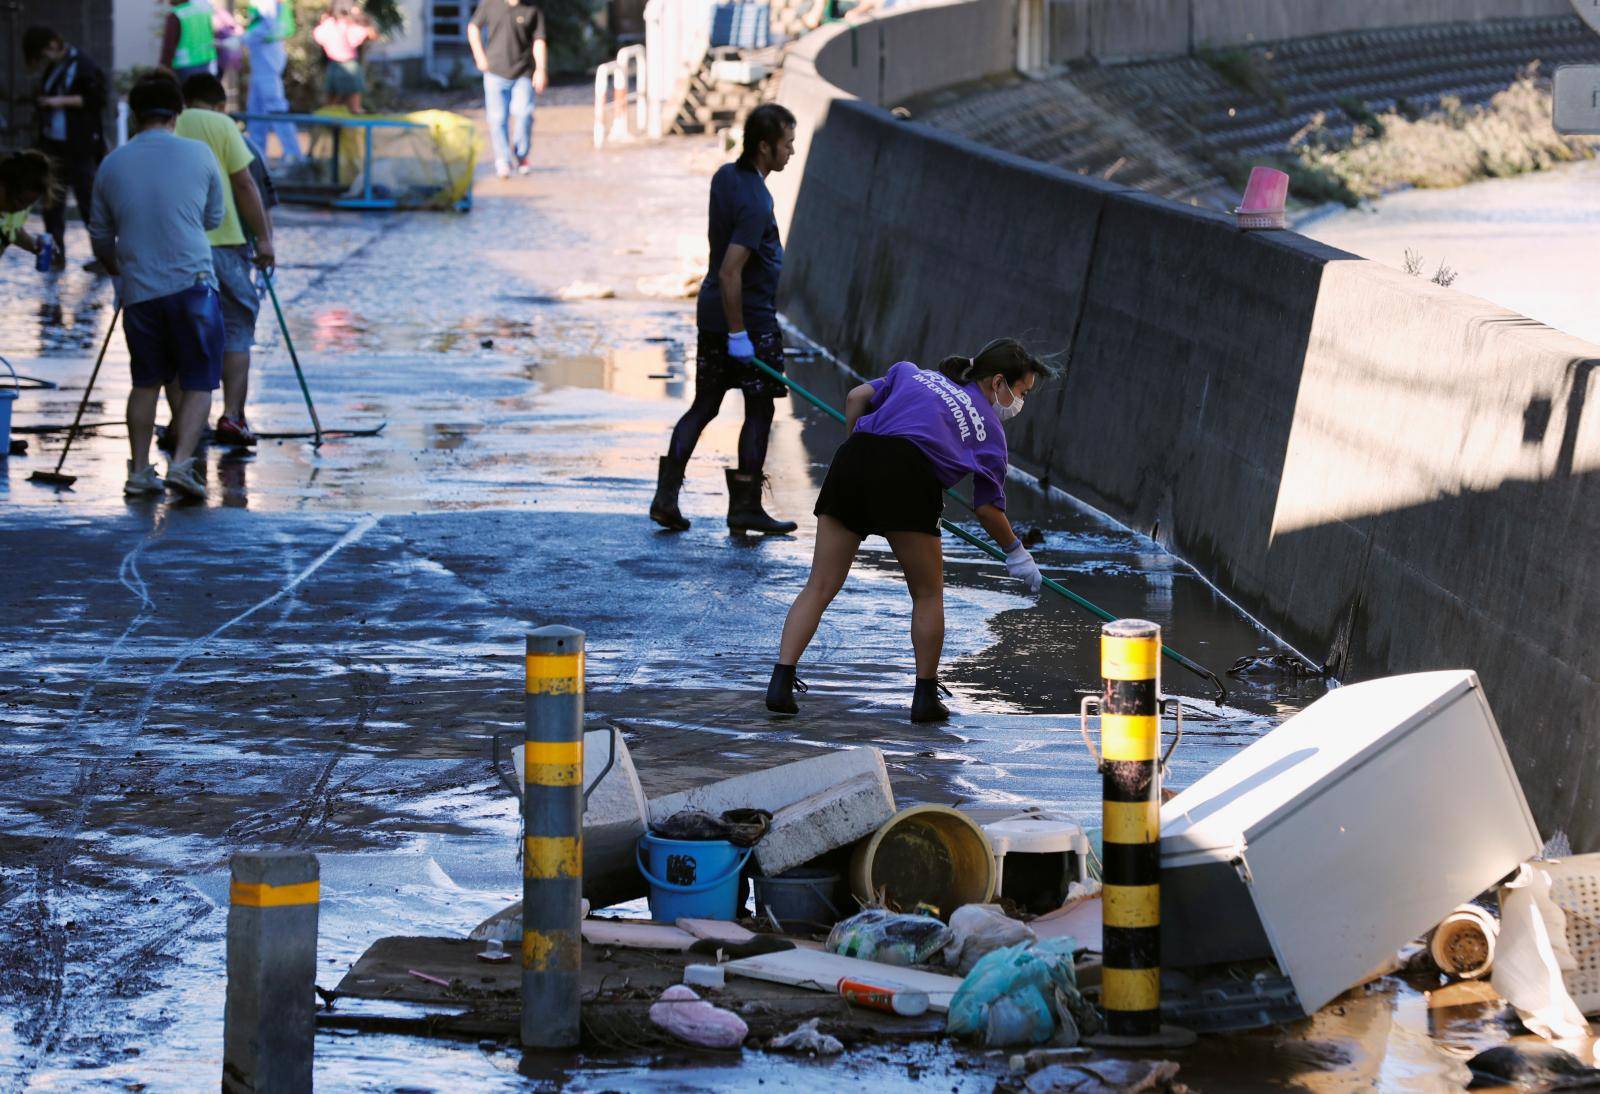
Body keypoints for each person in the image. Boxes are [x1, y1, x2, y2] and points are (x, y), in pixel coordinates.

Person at [765, 339, 1057, 723]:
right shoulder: (989, 431)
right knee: (927, 593)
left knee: (819, 585)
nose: (1020, 402)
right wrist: (1017, 553)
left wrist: (858, 458)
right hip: (910, 478)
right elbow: (987, 508)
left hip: (853, 462)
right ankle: (924, 697)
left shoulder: (914, 374)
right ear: (999, 382)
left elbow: (856, 398)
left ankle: (781, 682)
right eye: (1022, 392)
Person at [650, 103, 798, 536]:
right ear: (765, 146)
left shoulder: (725, 176)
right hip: (746, 319)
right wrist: (739, 335)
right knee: (759, 408)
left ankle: (665, 499)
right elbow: (732, 269)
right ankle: (746, 507)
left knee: (704, 405)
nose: (791, 152)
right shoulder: (756, 199)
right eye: (787, 144)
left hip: (712, 312)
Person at [89, 73, 226, 500]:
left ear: (134, 114)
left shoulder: (112, 163)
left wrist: (120, 270)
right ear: (178, 112)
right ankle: (182, 464)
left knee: (145, 382)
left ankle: (139, 470)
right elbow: (214, 218)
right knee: (200, 381)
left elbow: (98, 235)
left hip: (141, 290)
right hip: (193, 284)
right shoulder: (199, 154)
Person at [177, 73, 277, 449]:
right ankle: (233, 416)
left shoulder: (172, 123)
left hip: (179, 246)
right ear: (220, 105)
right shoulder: (223, 125)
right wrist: (264, 239)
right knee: (237, 328)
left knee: (183, 331)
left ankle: (184, 422)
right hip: (226, 242)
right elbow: (245, 183)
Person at [23, 26, 108, 270]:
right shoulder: (56, 68)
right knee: (53, 204)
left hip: (79, 145)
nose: (45, 58)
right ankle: (55, 253)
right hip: (54, 145)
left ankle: (103, 257)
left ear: (52, 44)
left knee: (88, 201)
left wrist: (56, 101)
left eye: (44, 53)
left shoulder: (81, 64)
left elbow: (95, 98)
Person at [468, 0, 548, 179]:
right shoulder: (490, 5)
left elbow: (539, 40)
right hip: (494, 72)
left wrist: (541, 69)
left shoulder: (532, 9)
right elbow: (473, 28)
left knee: (524, 114)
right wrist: (479, 56)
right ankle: (503, 160)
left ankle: (521, 155)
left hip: (523, 72)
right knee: (497, 119)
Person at [241, 0, 304, 163]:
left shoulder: (266, 3)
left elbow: (265, 27)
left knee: (276, 109)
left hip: (266, 65)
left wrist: (241, 39)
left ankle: (293, 154)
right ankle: (258, 155)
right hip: (262, 65)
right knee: (256, 112)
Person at [313, 1, 379, 113]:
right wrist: (362, 18)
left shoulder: (327, 25)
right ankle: (354, 121)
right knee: (354, 105)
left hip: (333, 63)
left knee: (331, 103)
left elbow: (318, 36)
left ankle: (331, 125)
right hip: (349, 65)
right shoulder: (350, 25)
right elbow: (371, 35)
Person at [0, 150, 55, 265]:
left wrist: (36, 246)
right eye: (20, 200)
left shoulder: (17, 208)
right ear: (3, 185)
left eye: (30, 203)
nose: (22, 208)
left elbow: (11, 230)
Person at [160, 0, 220, 82]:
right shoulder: (205, 9)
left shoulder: (176, 14)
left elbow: (169, 45)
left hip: (185, 66)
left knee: (187, 93)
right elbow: (214, 33)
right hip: (207, 62)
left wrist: (164, 66)